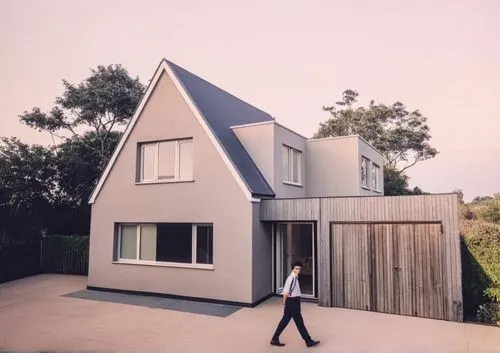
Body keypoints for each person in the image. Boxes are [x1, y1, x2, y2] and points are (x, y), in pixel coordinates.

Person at [270, 261, 320, 348]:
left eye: (299, 268)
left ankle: (274, 338)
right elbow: (286, 291)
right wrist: (284, 303)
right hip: (292, 302)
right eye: (296, 268)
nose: (298, 270)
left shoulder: (295, 277)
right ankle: (308, 341)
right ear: (293, 269)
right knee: (299, 322)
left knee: (285, 321)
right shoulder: (291, 278)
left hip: (294, 302)